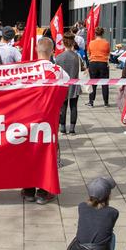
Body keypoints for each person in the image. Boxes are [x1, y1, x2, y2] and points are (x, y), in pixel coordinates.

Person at [22, 38, 57, 205]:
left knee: (28, 153)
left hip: (27, 120)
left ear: (36, 49)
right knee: (46, 156)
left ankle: (28, 190)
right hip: (48, 121)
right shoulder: (59, 72)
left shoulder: (25, 71)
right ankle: (43, 192)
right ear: (52, 51)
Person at [66, 177, 123, 250]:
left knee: (87, 230)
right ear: (108, 196)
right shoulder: (113, 212)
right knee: (112, 235)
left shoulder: (81, 206)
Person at [56, 33, 83, 135]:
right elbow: (83, 69)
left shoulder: (58, 57)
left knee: (63, 106)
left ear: (63, 43)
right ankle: (72, 128)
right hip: (74, 84)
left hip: (62, 85)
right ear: (73, 43)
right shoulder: (77, 57)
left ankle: (62, 127)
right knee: (73, 107)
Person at [86, 27, 111, 107]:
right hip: (103, 63)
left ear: (95, 34)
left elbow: (89, 53)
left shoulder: (91, 43)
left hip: (93, 63)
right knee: (105, 83)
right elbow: (107, 53)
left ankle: (91, 101)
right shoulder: (106, 43)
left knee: (93, 83)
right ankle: (106, 102)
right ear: (102, 33)